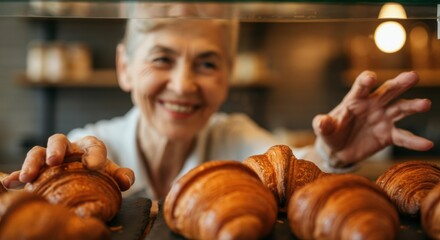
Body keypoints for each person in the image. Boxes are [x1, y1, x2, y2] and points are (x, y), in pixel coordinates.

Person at [2, 4, 433, 200]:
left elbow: (293, 165)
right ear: (125, 67)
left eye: (207, 64)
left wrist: (331, 155)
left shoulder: (236, 137)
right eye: (162, 59)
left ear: (228, 77)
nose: (184, 84)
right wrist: (53, 180)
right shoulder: (92, 147)